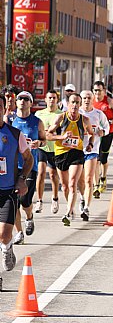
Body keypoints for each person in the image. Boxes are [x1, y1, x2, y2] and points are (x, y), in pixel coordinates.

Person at [47, 93, 95, 226]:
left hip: (76, 153)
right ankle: (71, 208)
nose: (74, 105)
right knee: (65, 186)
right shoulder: (61, 118)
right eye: (72, 102)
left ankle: (68, 212)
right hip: (61, 154)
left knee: (73, 183)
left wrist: (90, 144)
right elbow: (48, 135)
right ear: (68, 104)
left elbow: (91, 134)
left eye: (77, 103)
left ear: (80, 105)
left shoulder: (84, 120)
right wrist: (61, 138)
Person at [0, 94, 33, 272]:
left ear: (4, 109)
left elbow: (28, 159)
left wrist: (22, 179)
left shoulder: (14, 134)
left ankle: (7, 247)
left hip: (7, 192)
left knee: (4, 234)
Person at [12, 91, 46, 242]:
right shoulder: (9, 119)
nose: (22, 101)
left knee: (25, 200)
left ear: (31, 103)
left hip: (29, 165)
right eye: (20, 98)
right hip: (12, 166)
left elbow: (44, 140)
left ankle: (29, 216)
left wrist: (39, 143)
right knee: (14, 201)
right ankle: (19, 233)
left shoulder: (37, 122)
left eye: (26, 99)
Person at [78, 90, 109, 221]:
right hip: (78, 150)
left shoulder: (98, 114)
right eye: (84, 98)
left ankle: (86, 208)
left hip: (92, 150)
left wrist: (103, 132)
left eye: (89, 98)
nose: (86, 100)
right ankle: (81, 198)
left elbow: (107, 127)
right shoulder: (77, 113)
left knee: (89, 179)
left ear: (92, 99)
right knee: (79, 180)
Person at [92, 80, 113, 195]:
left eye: (99, 90)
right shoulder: (91, 102)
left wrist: (109, 122)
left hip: (107, 134)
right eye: (95, 90)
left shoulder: (109, 102)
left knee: (103, 159)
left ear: (104, 91)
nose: (97, 93)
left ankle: (103, 177)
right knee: (95, 159)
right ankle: (96, 185)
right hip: (94, 135)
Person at [35, 90, 62, 214]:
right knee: (40, 172)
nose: (52, 100)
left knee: (53, 175)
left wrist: (53, 134)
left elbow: (61, 132)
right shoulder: (39, 114)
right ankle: (39, 201)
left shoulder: (61, 114)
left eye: (54, 98)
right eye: (49, 98)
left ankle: (55, 198)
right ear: (45, 100)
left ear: (57, 100)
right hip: (42, 147)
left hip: (55, 148)